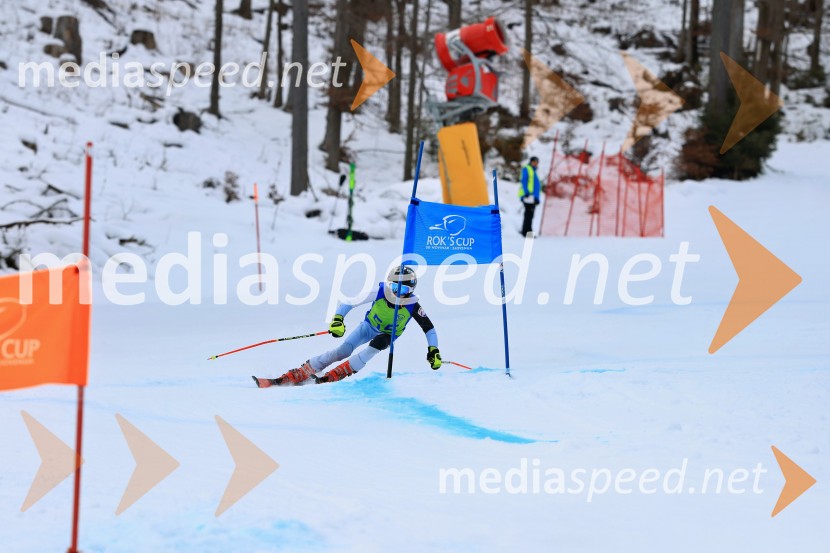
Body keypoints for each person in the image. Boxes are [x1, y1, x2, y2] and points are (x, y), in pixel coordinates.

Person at [253, 266, 441, 387]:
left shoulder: (413, 305)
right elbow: (350, 302)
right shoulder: (379, 292)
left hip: (387, 335)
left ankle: (339, 372)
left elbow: (429, 329)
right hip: (368, 326)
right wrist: (338, 320)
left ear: (412, 290)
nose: (398, 293)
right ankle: (301, 372)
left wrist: (433, 350)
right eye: (395, 287)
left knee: (374, 347)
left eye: (404, 289)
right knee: (342, 350)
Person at [519, 156, 541, 237]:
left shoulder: (533, 171)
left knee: (530, 214)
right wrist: (526, 192)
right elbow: (524, 181)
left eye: (537, 162)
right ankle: (527, 232)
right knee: (529, 214)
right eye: (534, 162)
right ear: (531, 162)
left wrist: (537, 198)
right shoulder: (527, 169)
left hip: (532, 197)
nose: (535, 164)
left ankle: (527, 231)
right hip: (528, 196)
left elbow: (535, 186)